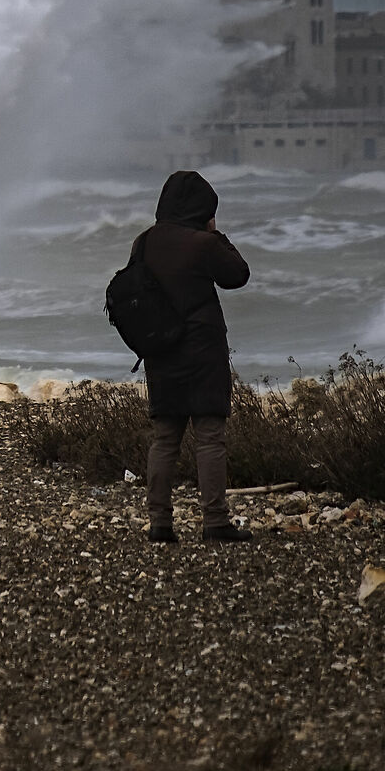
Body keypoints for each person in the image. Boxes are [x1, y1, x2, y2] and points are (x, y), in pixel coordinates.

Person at [134, 169, 251, 544]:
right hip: (202, 350)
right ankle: (215, 522)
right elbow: (238, 275)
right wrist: (215, 234)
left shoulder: (144, 241)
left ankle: (160, 524)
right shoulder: (203, 243)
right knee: (209, 437)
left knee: (164, 438)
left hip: (160, 349)